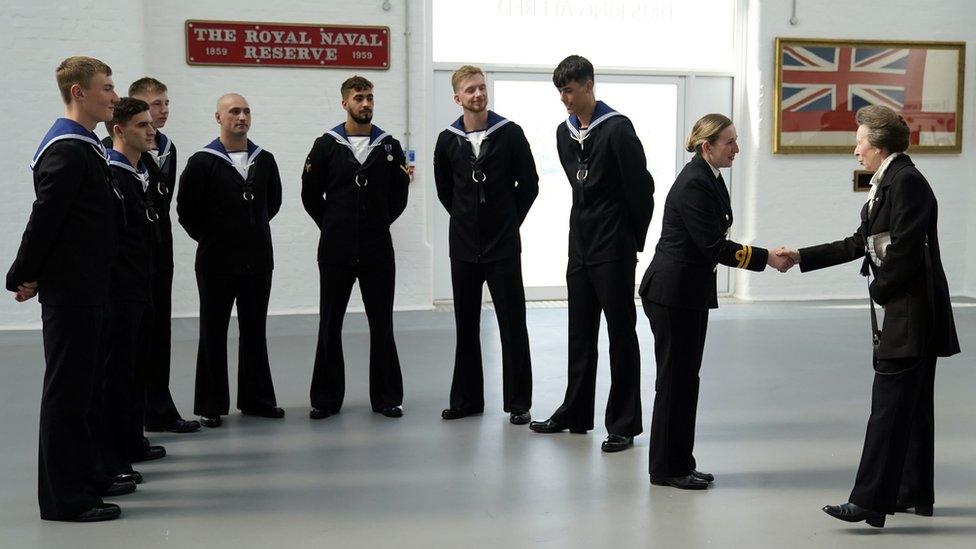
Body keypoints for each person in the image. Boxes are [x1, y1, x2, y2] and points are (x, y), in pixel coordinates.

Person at [781, 105, 960, 528]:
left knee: (888, 408)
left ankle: (868, 501)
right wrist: (801, 257)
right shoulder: (894, 179)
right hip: (911, 310)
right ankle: (912, 492)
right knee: (911, 408)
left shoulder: (907, 183)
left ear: (878, 146)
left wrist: (880, 291)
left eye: (860, 141)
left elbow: (906, 251)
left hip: (912, 314)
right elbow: (860, 242)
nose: (855, 149)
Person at [638, 114, 794, 489]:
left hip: (687, 293)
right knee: (674, 382)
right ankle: (665, 468)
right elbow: (713, 245)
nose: (737, 149)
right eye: (730, 143)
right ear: (708, 146)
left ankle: (680, 461)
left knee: (685, 380)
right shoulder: (694, 183)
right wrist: (766, 258)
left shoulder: (709, 177)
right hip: (672, 295)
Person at [6, 56, 124, 522]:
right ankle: (63, 499)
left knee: (87, 390)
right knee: (68, 394)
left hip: (88, 285)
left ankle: (87, 475)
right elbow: (47, 218)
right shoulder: (67, 148)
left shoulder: (87, 146)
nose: (114, 96)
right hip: (73, 291)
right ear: (79, 92)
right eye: (107, 88)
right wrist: (23, 272)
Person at [530, 55, 653, 453]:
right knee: (579, 334)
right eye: (560, 92)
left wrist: (631, 241)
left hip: (613, 248)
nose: (564, 99)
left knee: (621, 334)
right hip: (579, 247)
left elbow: (642, 190)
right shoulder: (564, 133)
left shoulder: (617, 129)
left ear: (588, 85)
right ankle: (576, 413)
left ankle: (623, 423)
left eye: (569, 90)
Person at [433, 65, 539, 425]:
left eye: (481, 88)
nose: (477, 94)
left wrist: (508, 222)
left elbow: (529, 184)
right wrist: (466, 219)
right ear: (457, 97)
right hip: (463, 247)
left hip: (503, 246)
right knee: (466, 324)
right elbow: (445, 190)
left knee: (512, 323)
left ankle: (518, 403)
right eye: (470, 90)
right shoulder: (447, 140)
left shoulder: (509, 133)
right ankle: (466, 400)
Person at [301, 76, 410, 419]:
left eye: (370, 98)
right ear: (344, 103)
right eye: (359, 98)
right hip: (336, 250)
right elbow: (309, 194)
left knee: (382, 324)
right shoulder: (325, 145)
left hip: (378, 249)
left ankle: (387, 398)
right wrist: (335, 225)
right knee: (330, 324)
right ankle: (325, 399)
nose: (366, 104)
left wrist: (375, 224)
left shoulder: (389, 146)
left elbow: (399, 197)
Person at [177, 93, 284, 428]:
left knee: (255, 330)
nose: (241, 117)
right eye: (234, 111)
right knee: (213, 331)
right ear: (218, 118)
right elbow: (187, 212)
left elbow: (273, 203)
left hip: (257, 261)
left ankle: (257, 400)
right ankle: (211, 404)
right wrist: (215, 239)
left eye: (246, 111)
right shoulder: (201, 162)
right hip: (216, 263)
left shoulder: (264, 160)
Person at [102, 97, 169, 483]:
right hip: (119, 288)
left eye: (151, 123)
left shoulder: (144, 170)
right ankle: (113, 456)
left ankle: (132, 440)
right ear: (119, 130)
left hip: (142, 283)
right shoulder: (112, 173)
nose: (151, 130)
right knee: (117, 375)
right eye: (142, 125)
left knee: (137, 369)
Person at [129, 77, 200, 434]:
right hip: (131, 254)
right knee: (133, 335)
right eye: (156, 104)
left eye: (166, 103)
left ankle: (159, 407)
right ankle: (131, 414)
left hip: (161, 247)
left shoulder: (169, 146)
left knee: (160, 330)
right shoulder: (118, 148)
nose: (164, 110)